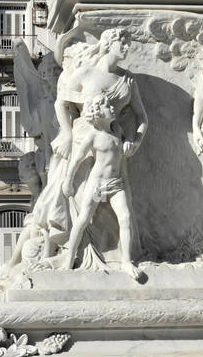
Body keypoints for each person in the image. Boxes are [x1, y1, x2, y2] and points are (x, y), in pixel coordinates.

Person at [61, 94, 144, 281]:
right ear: (98, 114)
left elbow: (124, 148)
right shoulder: (93, 135)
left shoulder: (118, 131)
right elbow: (77, 158)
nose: (112, 108)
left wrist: (130, 142)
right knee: (83, 219)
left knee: (126, 217)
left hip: (115, 184)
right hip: (97, 185)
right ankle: (69, 258)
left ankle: (127, 261)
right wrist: (68, 180)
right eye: (107, 107)